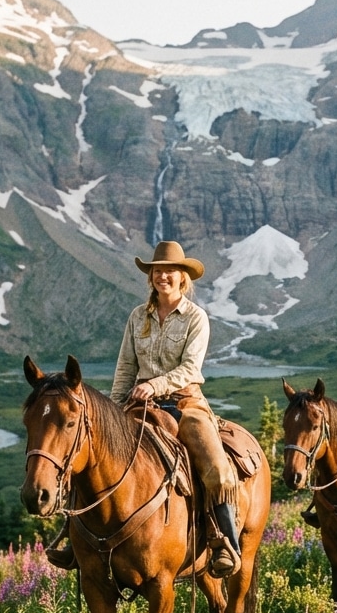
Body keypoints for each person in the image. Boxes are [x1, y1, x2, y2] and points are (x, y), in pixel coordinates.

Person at [46, 241, 241, 578]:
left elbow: (191, 368)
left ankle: (224, 542)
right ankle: (75, 537)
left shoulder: (196, 317)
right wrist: (114, 409)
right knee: (91, 454)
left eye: (170, 271)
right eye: (157, 270)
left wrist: (155, 384)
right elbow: (125, 367)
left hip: (185, 403)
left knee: (217, 468)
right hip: (139, 403)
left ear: (183, 277)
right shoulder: (138, 316)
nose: (163, 276)